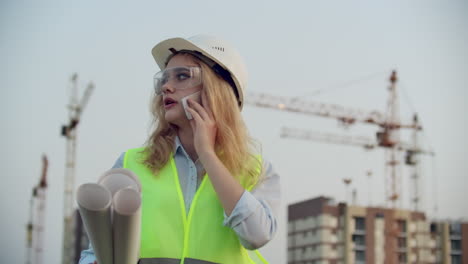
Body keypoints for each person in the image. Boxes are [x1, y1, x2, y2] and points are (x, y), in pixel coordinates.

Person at [79, 34, 280, 264]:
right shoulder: (130, 165)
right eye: (164, 79)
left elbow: (256, 236)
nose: (166, 86)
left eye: (182, 76)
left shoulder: (256, 171)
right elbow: (95, 251)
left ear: (218, 91)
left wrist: (208, 155)